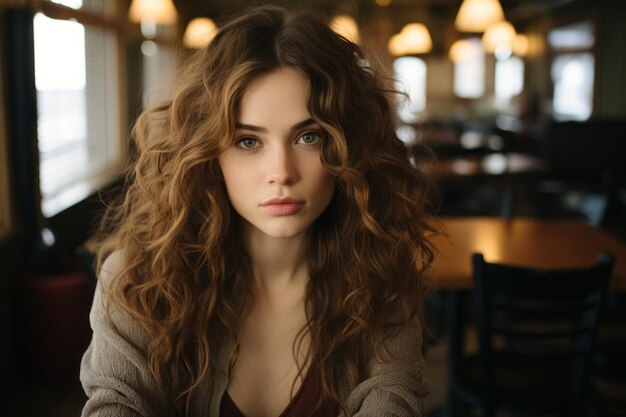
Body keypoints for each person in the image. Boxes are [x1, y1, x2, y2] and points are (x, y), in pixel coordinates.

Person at [80, 4, 438, 417]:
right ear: (207, 153)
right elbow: (116, 404)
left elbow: (394, 397)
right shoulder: (137, 278)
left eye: (309, 136)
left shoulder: (380, 272)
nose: (282, 173)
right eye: (248, 141)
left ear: (348, 147)